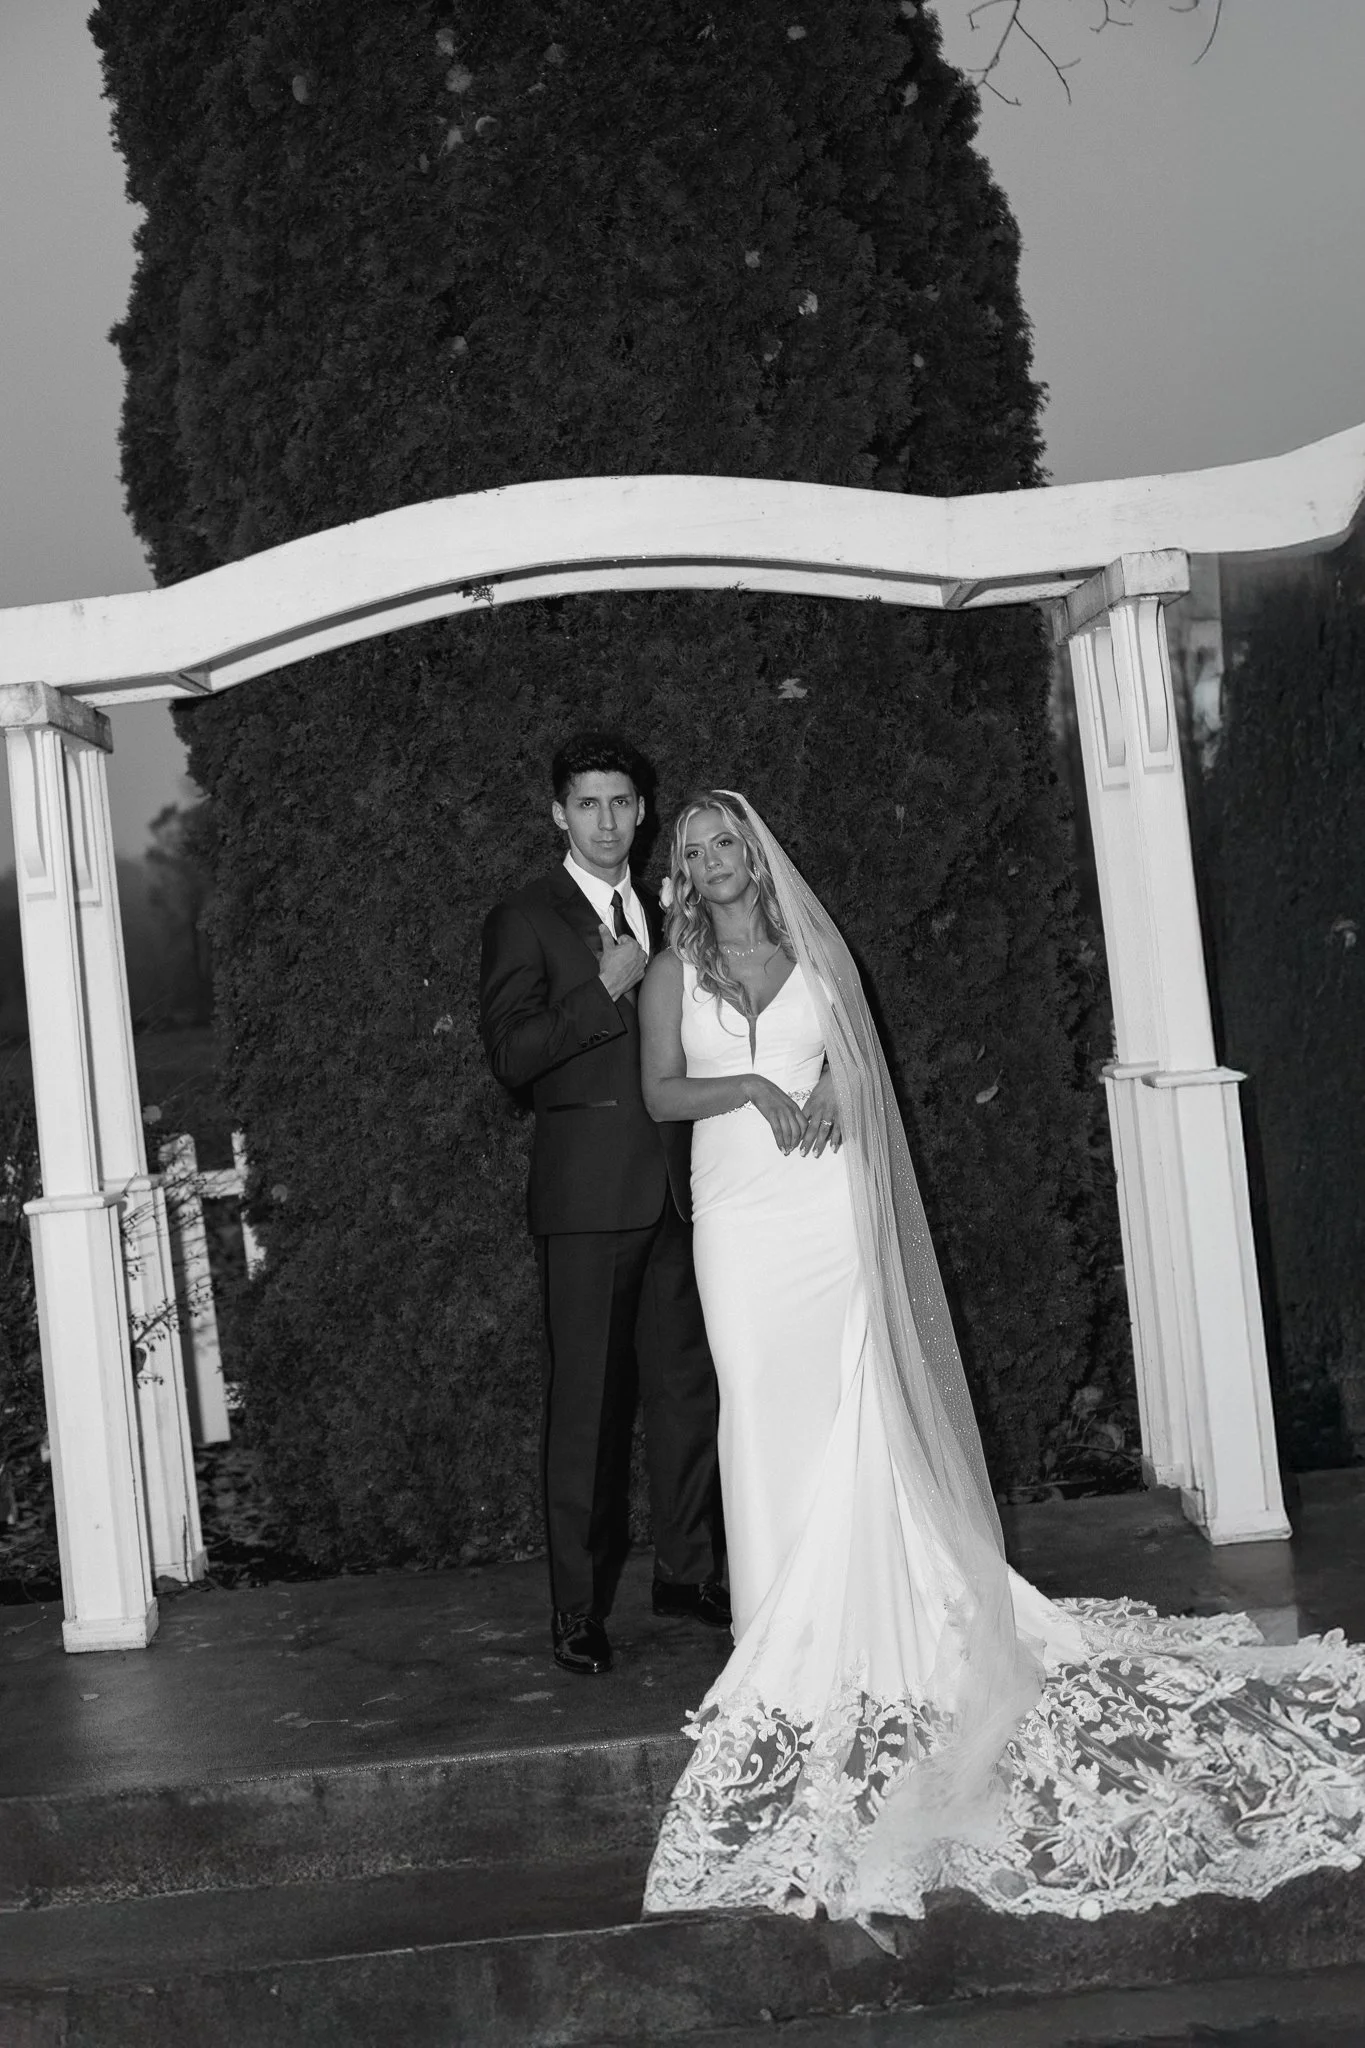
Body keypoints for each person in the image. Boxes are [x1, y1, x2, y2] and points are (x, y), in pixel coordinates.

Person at [638, 789, 1365, 1925]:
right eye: (696, 849)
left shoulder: (809, 950)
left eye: (729, 840)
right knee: (756, 1405)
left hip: (825, 1212)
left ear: (756, 855)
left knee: (852, 1402)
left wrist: (835, 1083)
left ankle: (873, 1614)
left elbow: (861, 1069)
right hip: (738, 1216)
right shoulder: (670, 976)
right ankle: (774, 1626)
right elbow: (657, 1092)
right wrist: (749, 1083)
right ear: (680, 872)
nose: (717, 859)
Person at [479, 734, 728, 1678]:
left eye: (623, 804)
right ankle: (575, 1613)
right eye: (589, 805)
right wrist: (600, 989)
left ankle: (687, 1572)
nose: (609, 821)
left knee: (683, 1394)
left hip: (680, 1185)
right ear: (558, 814)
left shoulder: (677, 911)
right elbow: (510, 1056)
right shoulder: (525, 917)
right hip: (585, 1200)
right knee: (585, 1410)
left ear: (642, 812)